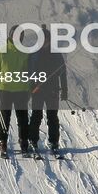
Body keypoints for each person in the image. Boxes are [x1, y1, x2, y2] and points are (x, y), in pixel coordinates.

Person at [0, 26, 34, 157]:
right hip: (6, 89)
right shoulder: (2, 50)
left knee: (23, 117)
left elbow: (29, 70)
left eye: (20, 35)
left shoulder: (25, 51)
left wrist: (30, 86)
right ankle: (2, 141)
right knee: (4, 117)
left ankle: (23, 141)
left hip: (21, 89)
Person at [28, 26, 69, 155]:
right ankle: (33, 140)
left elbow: (63, 72)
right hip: (38, 89)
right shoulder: (33, 54)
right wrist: (31, 86)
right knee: (36, 115)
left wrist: (65, 89)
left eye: (47, 39)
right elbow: (29, 72)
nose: (46, 42)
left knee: (52, 117)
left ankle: (54, 142)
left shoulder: (56, 54)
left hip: (53, 89)